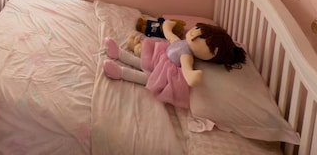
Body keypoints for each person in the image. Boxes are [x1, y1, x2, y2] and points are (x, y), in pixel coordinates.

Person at [103, 20, 246, 109]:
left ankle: (121, 73)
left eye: (201, 38)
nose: (194, 35)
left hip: (166, 70)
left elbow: (187, 69)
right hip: (160, 56)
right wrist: (167, 26)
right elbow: (170, 35)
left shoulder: (187, 55)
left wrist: (192, 75)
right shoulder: (182, 42)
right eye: (197, 30)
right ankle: (119, 54)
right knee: (143, 61)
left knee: (148, 78)